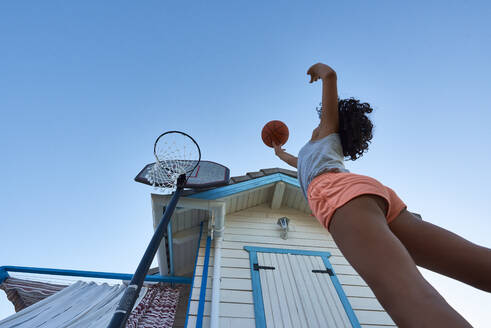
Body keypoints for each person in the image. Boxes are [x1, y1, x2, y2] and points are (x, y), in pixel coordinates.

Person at [272, 62, 491, 328]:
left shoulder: (328, 133)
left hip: (339, 196)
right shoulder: (315, 153)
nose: (317, 124)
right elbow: (299, 163)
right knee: (469, 260)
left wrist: (324, 73)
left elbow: (331, 77)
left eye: (322, 120)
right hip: (367, 193)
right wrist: (279, 152)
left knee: (408, 296)